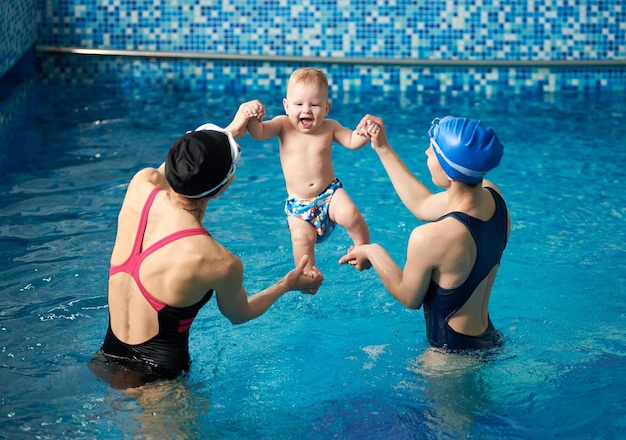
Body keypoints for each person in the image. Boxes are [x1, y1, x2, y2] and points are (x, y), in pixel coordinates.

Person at [89, 108, 323, 389]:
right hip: (161, 383)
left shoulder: (140, 184)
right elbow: (240, 315)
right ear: (221, 189)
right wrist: (288, 283)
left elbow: (184, 165)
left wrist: (231, 132)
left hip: (106, 359)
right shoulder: (216, 260)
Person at [340, 114, 509, 351]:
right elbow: (422, 204)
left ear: (449, 172)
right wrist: (382, 148)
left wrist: (372, 251)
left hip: (450, 356)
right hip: (489, 339)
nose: (426, 153)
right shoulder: (494, 197)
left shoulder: (430, 237)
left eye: (432, 150)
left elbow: (409, 297)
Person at [240, 67, 373, 273]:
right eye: (299, 104)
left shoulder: (330, 127)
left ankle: (363, 250)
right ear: (286, 105)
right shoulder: (282, 125)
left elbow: (351, 141)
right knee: (301, 239)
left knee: (350, 214)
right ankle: (307, 275)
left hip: (329, 194)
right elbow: (258, 133)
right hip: (299, 206)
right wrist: (252, 117)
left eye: (315, 104)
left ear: (327, 108)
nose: (306, 110)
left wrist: (364, 131)